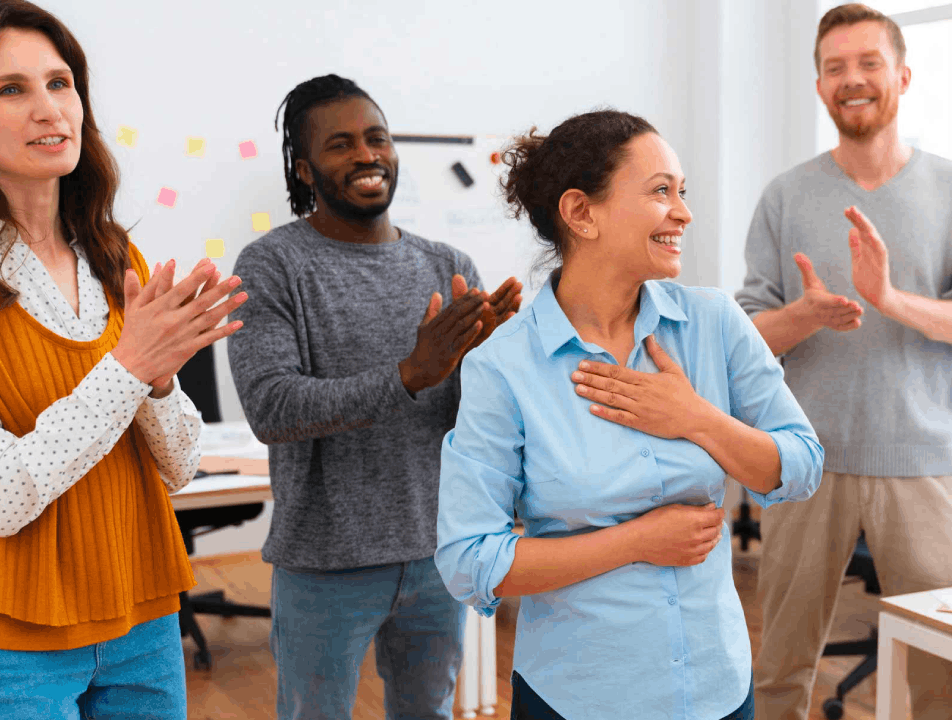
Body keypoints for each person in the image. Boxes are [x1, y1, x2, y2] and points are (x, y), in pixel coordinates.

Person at [432, 109, 824, 720]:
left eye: (682, 192)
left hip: (717, 685)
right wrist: (636, 541)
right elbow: (470, 560)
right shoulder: (503, 367)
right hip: (580, 695)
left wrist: (697, 418)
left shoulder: (714, 323)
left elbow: (802, 463)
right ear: (581, 213)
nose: (684, 212)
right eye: (660, 192)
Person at [735, 4, 952, 719]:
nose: (851, 79)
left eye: (868, 63)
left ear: (902, 76)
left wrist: (890, 298)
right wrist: (804, 316)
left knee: (945, 681)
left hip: (924, 465)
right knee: (779, 672)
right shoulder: (786, 196)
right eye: (835, 67)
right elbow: (741, 337)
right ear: (820, 85)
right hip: (803, 462)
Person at [226, 74, 521, 720]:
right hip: (324, 563)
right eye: (340, 145)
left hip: (436, 551)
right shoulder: (270, 266)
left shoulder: (448, 264)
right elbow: (272, 408)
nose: (366, 155)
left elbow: (474, 423)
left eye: (376, 138)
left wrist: (487, 365)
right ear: (303, 169)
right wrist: (410, 374)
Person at [0, 1, 247, 716]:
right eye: (10, 89)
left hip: (142, 614)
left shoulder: (115, 257)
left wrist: (162, 382)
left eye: (60, 82)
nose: (49, 109)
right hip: (18, 639)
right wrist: (129, 368)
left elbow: (179, 467)